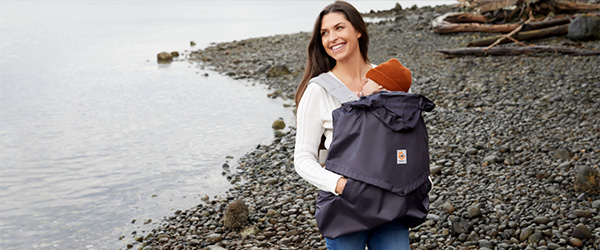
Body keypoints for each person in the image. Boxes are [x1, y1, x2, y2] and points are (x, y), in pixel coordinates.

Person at [294, 1, 411, 249]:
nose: (332, 38)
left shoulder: (386, 77)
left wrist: (418, 179)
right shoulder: (318, 90)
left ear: (358, 30)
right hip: (345, 205)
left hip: (391, 201)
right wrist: (341, 186)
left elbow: (409, 136)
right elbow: (303, 159)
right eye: (324, 33)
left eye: (339, 28)